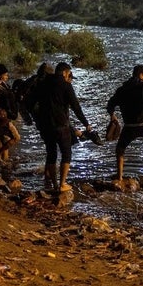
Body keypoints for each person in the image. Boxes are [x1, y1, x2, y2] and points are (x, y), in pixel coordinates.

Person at [25, 61, 92, 192]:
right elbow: (76, 107)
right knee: (66, 154)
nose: (69, 75)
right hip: (61, 125)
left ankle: (54, 184)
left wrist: (36, 118)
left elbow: (30, 101)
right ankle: (62, 184)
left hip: (46, 125)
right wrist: (86, 123)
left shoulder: (43, 84)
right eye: (69, 73)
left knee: (51, 153)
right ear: (64, 72)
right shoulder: (66, 86)